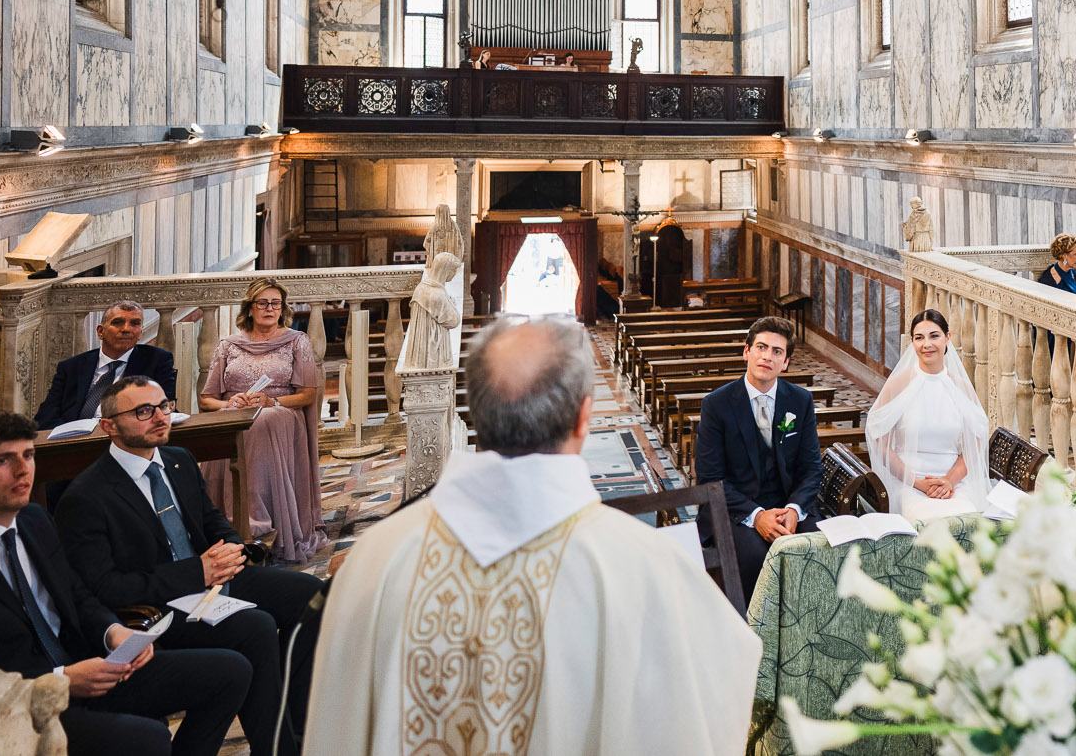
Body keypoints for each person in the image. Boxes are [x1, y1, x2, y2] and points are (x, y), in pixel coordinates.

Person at [305, 317, 762, 756]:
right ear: (584, 420)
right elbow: (720, 691)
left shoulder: (374, 562)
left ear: (476, 412)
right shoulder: (647, 568)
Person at [0, 413, 250, 756]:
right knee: (147, 739)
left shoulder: (34, 519)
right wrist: (61, 678)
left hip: (89, 669)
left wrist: (113, 631)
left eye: (28, 455)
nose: (23, 470)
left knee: (231, 672)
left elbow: (75, 593)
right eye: (2, 461)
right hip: (19, 704)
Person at [56, 376, 324, 756]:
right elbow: (106, 588)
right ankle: (276, 747)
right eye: (143, 411)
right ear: (109, 426)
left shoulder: (178, 460)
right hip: (159, 603)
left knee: (313, 596)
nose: (160, 417)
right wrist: (196, 573)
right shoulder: (86, 496)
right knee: (256, 626)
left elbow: (213, 523)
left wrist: (231, 550)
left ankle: (295, 724)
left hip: (211, 581)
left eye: (163, 406)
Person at [693, 316, 823, 600]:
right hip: (735, 511)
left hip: (787, 506)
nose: (767, 356)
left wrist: (793, 509)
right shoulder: (716, 405)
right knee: (756, 559)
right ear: (746, 352)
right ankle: (752, 634)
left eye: (777, 351)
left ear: (786, 362)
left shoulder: (800, 401)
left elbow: (812, 468)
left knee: (816, 551)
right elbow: (710, 478)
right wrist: (756, 516)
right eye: (761, 347)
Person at [199, 278, 324, 563]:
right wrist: (229, 402)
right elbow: (206, 400)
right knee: (230, 420)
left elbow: (307, 395)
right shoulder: (228, 345)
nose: (270, 309)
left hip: (280, 411)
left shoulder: (296, 341)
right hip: (236, 409)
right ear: (250, 308)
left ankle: (257, 523)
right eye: (263, 303)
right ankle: (225, 523)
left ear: (282, 309)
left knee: (263, 419)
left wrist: (272, 401)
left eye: (275, 304)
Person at [866, 309, 991, 520]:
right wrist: (918, 482)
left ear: (947, 338)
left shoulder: (961, 387)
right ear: (912, 343)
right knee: (928, 520)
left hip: (955, 482)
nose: (927, 344)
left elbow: (975, 443)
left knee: (967, 519)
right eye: (919, 338)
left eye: (934, 336)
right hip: (908, 481)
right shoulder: (897, 385)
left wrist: (949, 481)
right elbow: (881, 442)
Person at [35, 301, 176, 429]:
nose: (126, 329)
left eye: (134, 323)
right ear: (101, 331)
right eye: (118, 322)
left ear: (140, 333)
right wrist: (66, 438)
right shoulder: (72, 367)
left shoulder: (158, 361)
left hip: (127, 437)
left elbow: (165, 407)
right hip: (73, 440)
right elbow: (47, 413)